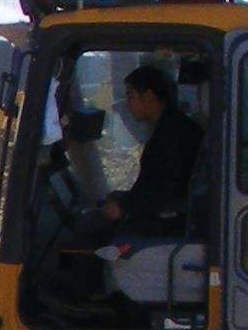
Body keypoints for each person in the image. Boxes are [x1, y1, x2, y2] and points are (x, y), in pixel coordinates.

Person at [62, 63, 204, 248]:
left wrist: (124, 207)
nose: (127, 104)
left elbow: (165, 191)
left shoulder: (173, 136)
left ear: (149, 97)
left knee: (83, 237)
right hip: (162, 214)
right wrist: (124, 199)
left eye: (130, 96)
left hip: (168, 223)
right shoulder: (171, 127)